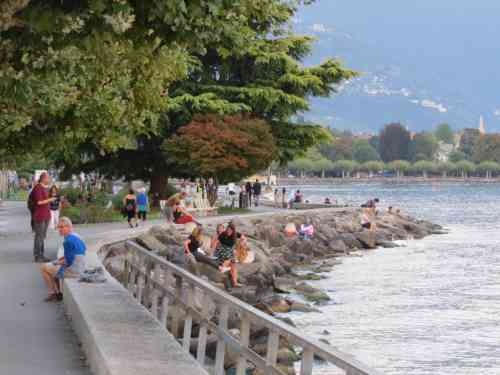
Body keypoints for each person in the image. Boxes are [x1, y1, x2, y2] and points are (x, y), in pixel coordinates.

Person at [39, 217, 86, 302]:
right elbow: (80, 251)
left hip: (73, 271)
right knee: (51, 266)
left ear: (68, 227)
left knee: (43, 267)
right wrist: (58, 260)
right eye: (58, 227)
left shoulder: (67, 241)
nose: (59, 230)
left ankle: (53, 293)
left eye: (62, 227)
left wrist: (57, 263)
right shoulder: (76, 236)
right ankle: (58, 291)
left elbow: (68, 262)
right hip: (80, 267)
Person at [31, 172, 57, 262]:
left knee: (42, 236)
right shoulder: (38, 188)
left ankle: (41, 255)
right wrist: (50, 199)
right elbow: (39, 202)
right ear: (43, 179)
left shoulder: (45, 188)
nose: (49, 180)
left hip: (45, 215)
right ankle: (38, 256)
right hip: (40, 216)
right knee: (39, 236)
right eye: (48, 178)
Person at [213, 223, 245, 288]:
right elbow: (215, 242)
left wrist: (242, 243)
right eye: (228, 229)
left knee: (233, 266)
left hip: (230, 251)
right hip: (222, 250)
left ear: (233, 230)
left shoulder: (235, 234)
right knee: (229, 259)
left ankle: (235, 283)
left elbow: (243, 238)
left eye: (230, 230)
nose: (228, 231)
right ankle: (222, 270)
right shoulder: (223, 234)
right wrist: (212, 251)